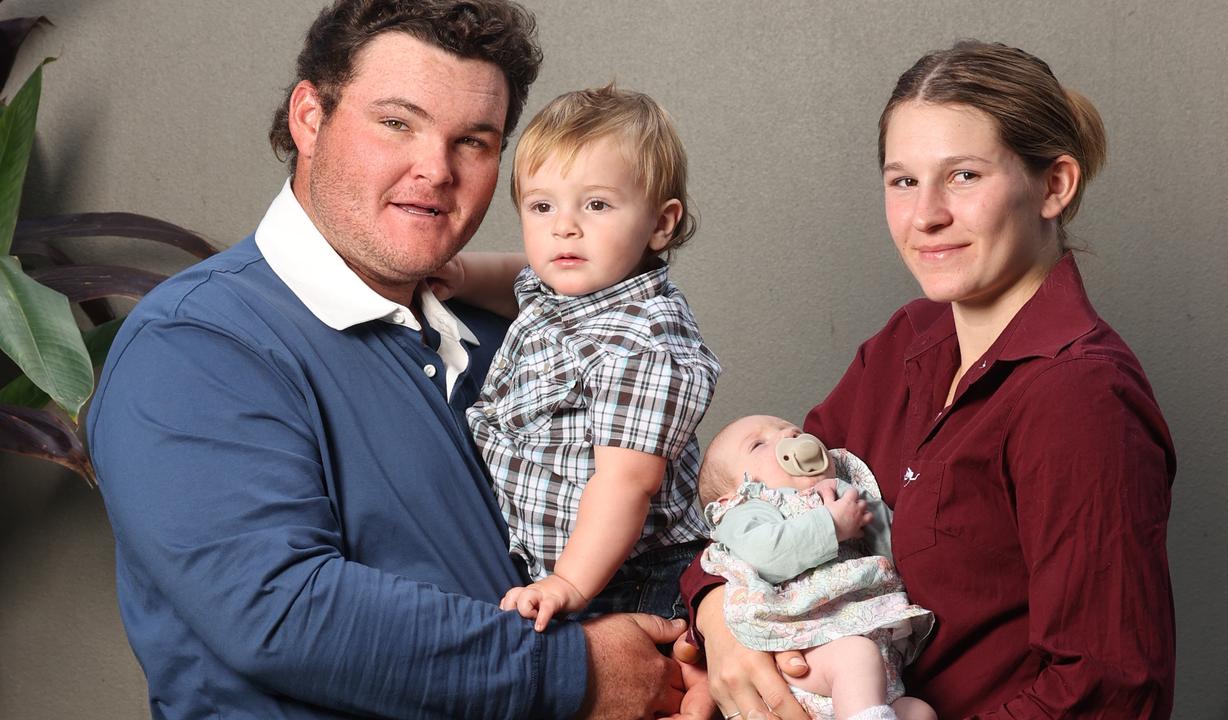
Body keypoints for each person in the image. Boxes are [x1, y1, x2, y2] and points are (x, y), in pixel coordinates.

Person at [87, 2, 709, 718]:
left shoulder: (524, 332)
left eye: (473, 141)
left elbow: (652, 507)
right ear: (310, 118)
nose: (435, 169)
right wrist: (577, 673)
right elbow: (282, 615)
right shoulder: (196, 346)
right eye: (397, 123)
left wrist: (720, 603)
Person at [679, 40, 1177, 719]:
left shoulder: (1079, 398)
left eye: (964, 176)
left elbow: (1108, 691)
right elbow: (757, 503)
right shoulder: (905, 342)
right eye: (903, 180)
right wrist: (716, 616)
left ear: (1054, 185)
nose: (926, 215)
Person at [459, 85, 720, 632]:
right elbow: (520, 279)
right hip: (552, 556)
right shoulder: (572, 285)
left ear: (660, 224)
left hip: (626, 576)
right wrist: (459, 274)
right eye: (541, 205)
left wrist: (570, 582)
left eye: (596, 204)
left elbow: (626, 483)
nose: (564, 226)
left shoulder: (644, 343)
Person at [697, 415, 935, 720]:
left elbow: (902, 554)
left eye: (794, 432)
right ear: (732, 492)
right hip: (806, 646)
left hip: (869, 673)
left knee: (919, 712)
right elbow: (765, 554)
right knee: (857, 657)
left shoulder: (844, 494)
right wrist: (832, 524)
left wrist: (865, 507)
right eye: (758, 444)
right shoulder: (748, 507)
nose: (788, 439)